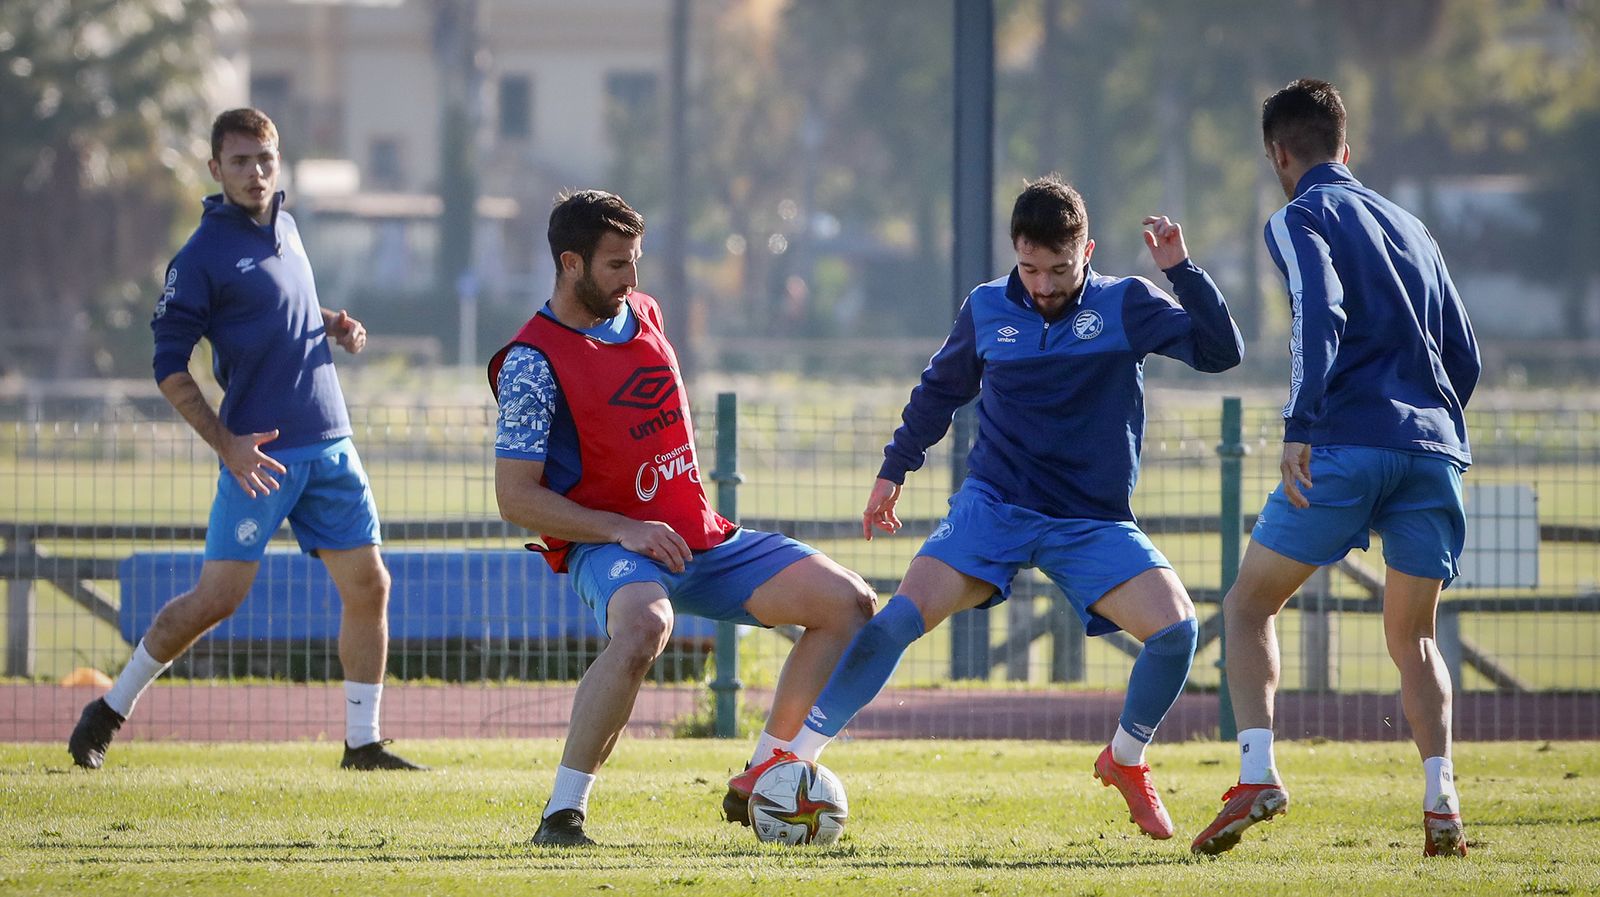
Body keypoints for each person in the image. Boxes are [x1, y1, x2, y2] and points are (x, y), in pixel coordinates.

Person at [779, 175, 1244, 841]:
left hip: (1090, 522)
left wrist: (1181, 271)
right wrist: (893, 469)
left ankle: (1126, 759)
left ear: (1088, 251)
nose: (1044, 284)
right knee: (894, 621)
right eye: (1030, 267)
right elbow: (938, 391)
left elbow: (1223, 352)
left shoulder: (1127, 304)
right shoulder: (988, 307)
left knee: (1176, 633)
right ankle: (795, 761)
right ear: (1016, 254)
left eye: (1059, 268)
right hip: (993, 508)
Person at [489, 189, 876, 847]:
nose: (632, 278)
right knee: (644, 626)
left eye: (635, 260)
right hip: (612, 547)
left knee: (850, 602)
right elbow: (515, 498)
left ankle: (764, 772)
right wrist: (621, 528)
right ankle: (562, 814)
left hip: (700, 538)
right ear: (570, 263)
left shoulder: (645, 312)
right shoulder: (533, 360)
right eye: (616, 264)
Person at [67, 108, 423, 773]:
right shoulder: (201, 255)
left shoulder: (287, 226)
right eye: (240, 161)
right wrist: (226, 443)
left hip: (332, 443)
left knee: (370, 584)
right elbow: (168, 365)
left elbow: (280, 307)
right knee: (216, 600)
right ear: (215, 169)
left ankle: (363, 743)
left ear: (277, 160)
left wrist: (332, 325)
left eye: (265, 159)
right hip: (261, 457)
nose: (256, 173)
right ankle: (107, 709)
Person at [1190, 79, 1480, 858]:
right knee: (1416, 637)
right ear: (1344, 149)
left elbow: (1320, 311)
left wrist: (1301, 424)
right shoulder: (1414, 225)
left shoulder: (1298, 216)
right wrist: (1433, 425)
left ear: (1280, 156)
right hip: (1432, 450)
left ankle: (1258, 774)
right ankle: (1441, 796)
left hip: (1346, 443)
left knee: (1248, 606)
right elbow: (1466, 354)